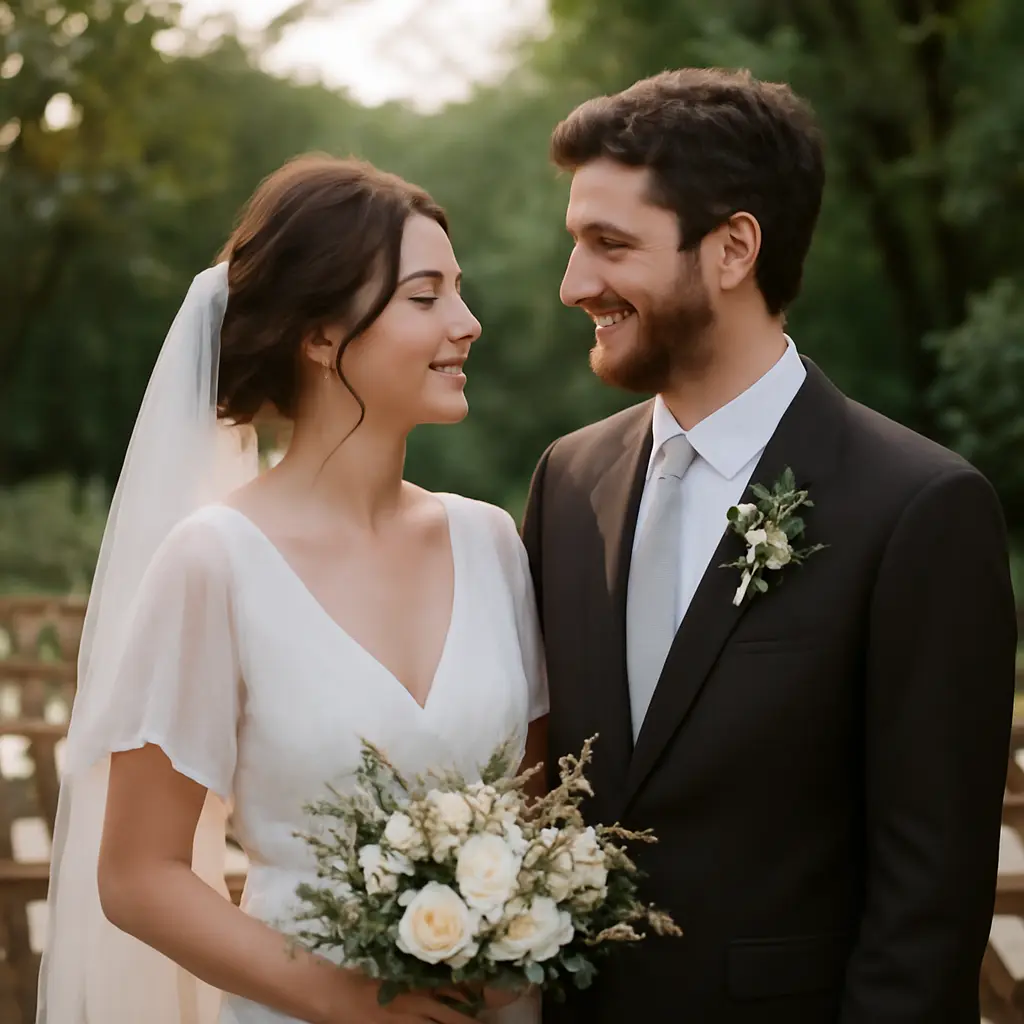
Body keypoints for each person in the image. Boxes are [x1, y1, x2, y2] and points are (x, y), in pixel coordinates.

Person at [523, 68, 1017, 1023]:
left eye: (610, 245)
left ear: (733, 248)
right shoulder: (567, 482)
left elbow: (930, 902)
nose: (574, 284)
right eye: (575, 244)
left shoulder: (920, 508)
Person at [37, 154, 547, 1024]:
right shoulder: (215, 563)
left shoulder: (491, 541)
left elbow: (541, 808)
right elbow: (136, 875)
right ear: (318, 335)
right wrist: (354, 999)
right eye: (425, 298)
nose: (467, 323)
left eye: (459, 292)